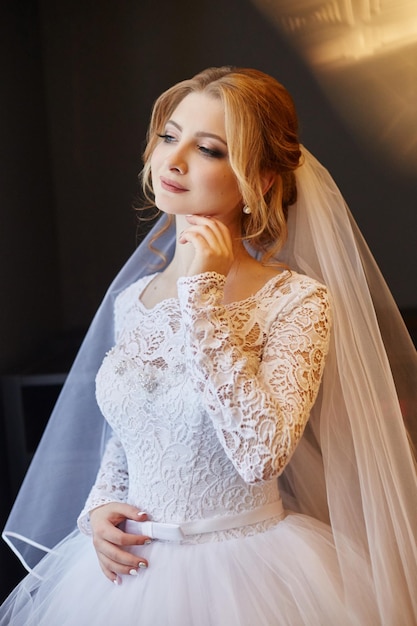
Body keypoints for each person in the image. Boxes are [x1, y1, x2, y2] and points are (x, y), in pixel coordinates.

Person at [1, 66, 417, 625]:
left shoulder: (296, 301)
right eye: (169, 137)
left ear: (261, 180)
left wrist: (203, 299)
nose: (173, 161)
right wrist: (99, 509)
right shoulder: (134, 300)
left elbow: (261, 454)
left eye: (209, 149)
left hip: (249, 579)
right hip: (129, 581)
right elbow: (129, 435)